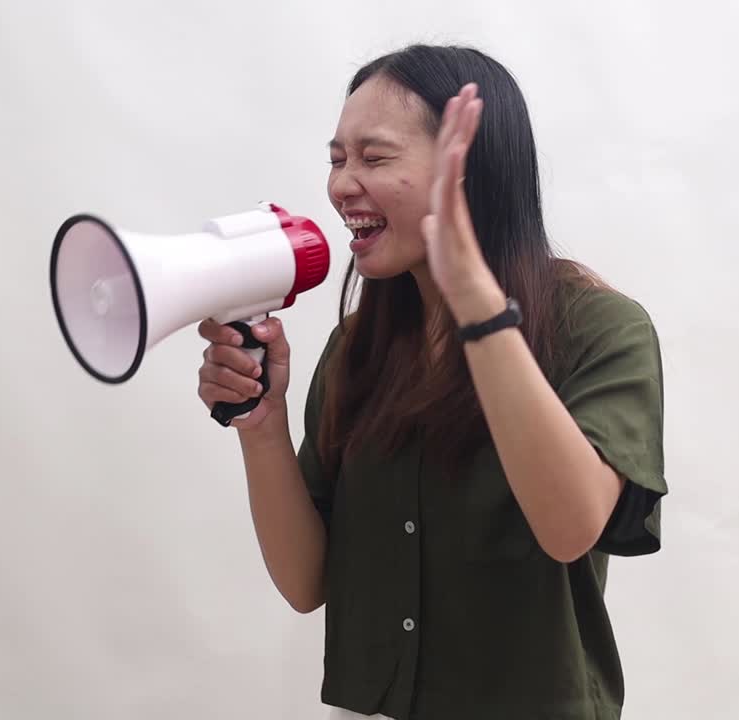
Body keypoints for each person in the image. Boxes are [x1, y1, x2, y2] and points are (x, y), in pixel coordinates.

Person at [196, 44, 667, 720]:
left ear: (467, 172)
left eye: (374, 157)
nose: (342, 186)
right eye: (337, 159)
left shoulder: (599, 329)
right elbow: (305, 582)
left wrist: (477, 304)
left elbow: (569, 529)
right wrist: (261, 425)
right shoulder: (357, 348)